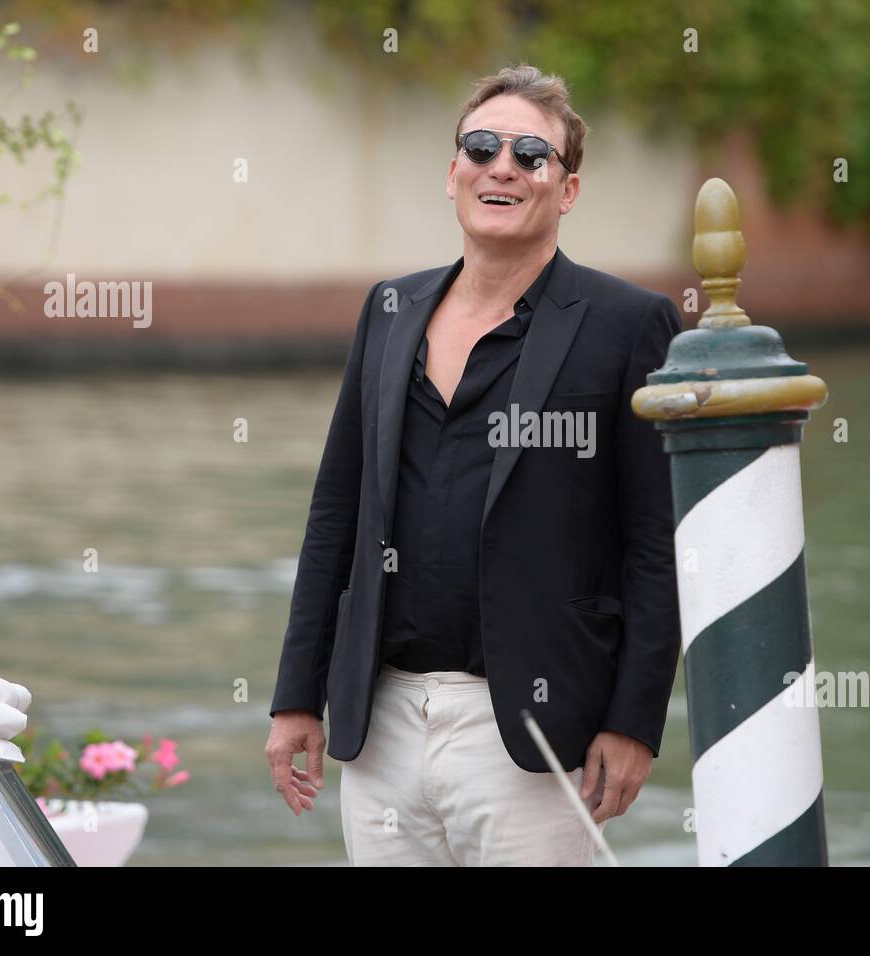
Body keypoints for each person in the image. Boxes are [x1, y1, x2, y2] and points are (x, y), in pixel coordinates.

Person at [264, 63, 681, 866]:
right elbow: (334, 516)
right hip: (378, 721)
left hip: (534, 725)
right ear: (452, 171)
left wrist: (633, 723)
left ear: (567, 190)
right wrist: (295, 697)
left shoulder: (630, 325)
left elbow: (656, 544)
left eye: (532, 155)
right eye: (482, 146)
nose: (503, 166)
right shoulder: (388, 311)